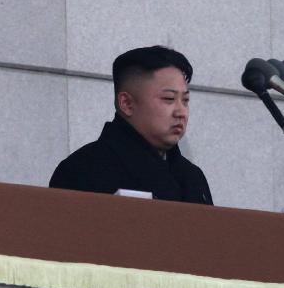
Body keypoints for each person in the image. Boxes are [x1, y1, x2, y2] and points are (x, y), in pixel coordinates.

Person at [50, 46, 213, 205]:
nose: (181, 112)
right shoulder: (83, 170)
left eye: (185, 100)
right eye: (169, 99)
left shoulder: (192, 176)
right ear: (127, 104)